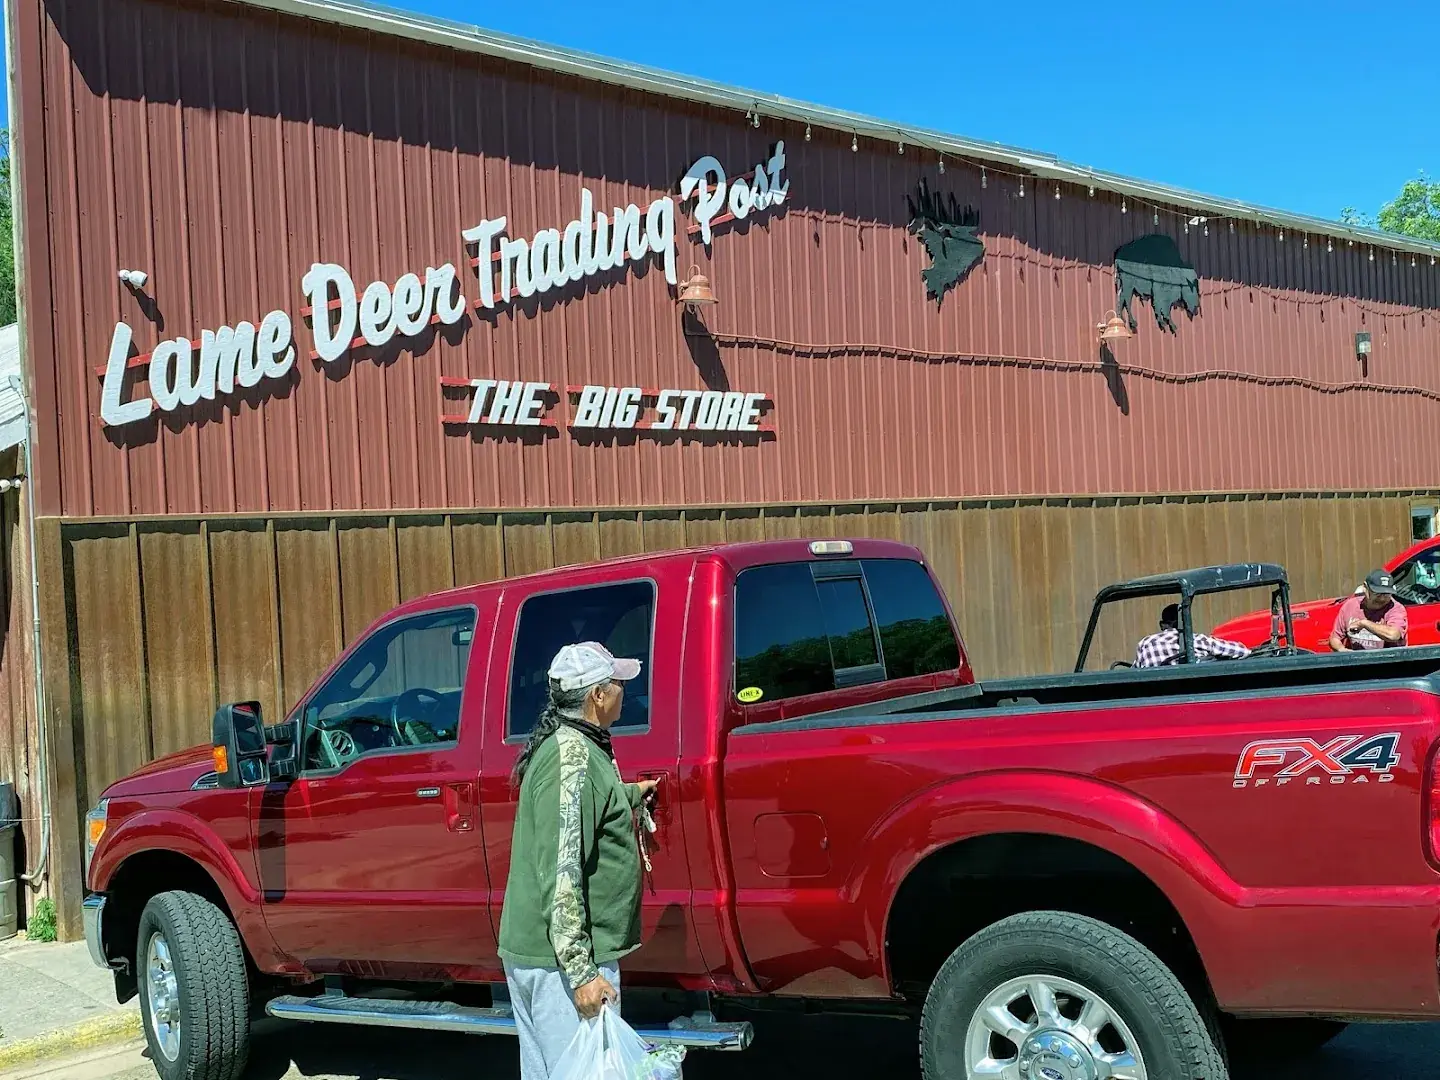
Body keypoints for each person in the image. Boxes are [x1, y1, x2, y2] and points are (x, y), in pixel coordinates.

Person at [498, 641, 661, 1080]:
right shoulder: (573, 761)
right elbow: (562, 872)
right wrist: (583, 973)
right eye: (619, 683)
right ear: (598, 696)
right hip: (560, 964)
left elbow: (584, 810)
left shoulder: (575, 747)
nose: (626, 690)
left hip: (545, 956)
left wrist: (632, 794)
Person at [1134, 603, 1252, 668]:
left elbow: (1135, 672)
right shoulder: (1198, 640)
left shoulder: (1145, 643)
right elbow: (1241, 651)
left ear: (1162, 625)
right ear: (1186, 622)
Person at [1329, 569, 1408, 651]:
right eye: (1377, 593)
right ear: (1365, 588)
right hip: (1357, 661)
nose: (1382, 598)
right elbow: (1334, 638)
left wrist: (1364, 623)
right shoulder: (1350, 606)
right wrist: (1342, 650)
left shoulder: (1396, 609)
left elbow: (1393, 635)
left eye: (1386, 594)